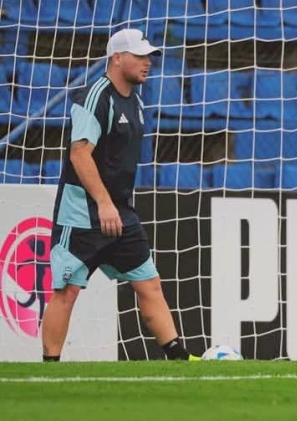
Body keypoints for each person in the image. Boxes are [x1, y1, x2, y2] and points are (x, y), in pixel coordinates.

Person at [41, 28, 199, 362]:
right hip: (83, 214)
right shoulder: (96, 95)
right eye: (140, 56)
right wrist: (103, 203)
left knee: (150, 284)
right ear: (117, 58)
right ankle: (49, 371)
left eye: (149, 56)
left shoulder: (136, 102)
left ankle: (180, 360)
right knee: (66, 291)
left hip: (120, 214)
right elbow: (79, 154)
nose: (148, 63)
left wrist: (114, 207)